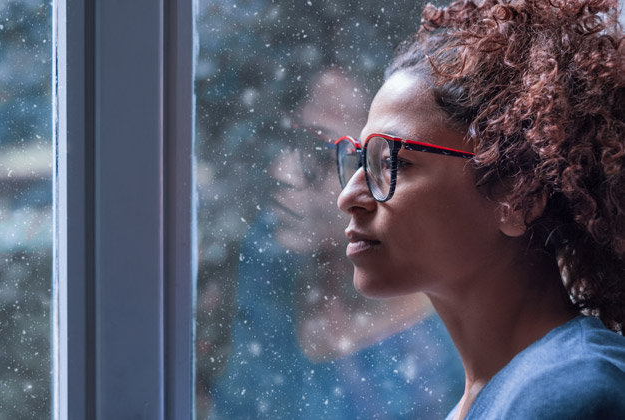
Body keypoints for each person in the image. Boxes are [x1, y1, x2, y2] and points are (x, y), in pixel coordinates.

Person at [335, 0, 625, 419]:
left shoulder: (568, 392)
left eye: (392, 161)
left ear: (517, 197)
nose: (348, 197)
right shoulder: (506, 390)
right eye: (360, 160)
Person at [208, 70, 464, 419]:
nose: (282, 171)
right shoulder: (268, 255)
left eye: (321, 155)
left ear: (389, 168)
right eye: (290, 141)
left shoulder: (444, 348)